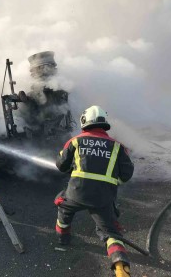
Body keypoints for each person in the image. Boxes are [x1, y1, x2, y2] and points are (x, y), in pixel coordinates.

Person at [54, 105, 134, 277]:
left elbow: (61, 166)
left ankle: (63, 238)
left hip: (76, 194)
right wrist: (111, 182)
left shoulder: (75, 141)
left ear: (84, 121)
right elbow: (126, 175)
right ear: (104, 123)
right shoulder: (118, 147)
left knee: (63, 206)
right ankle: (121, 269)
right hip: (103, 198)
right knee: (111, 233)